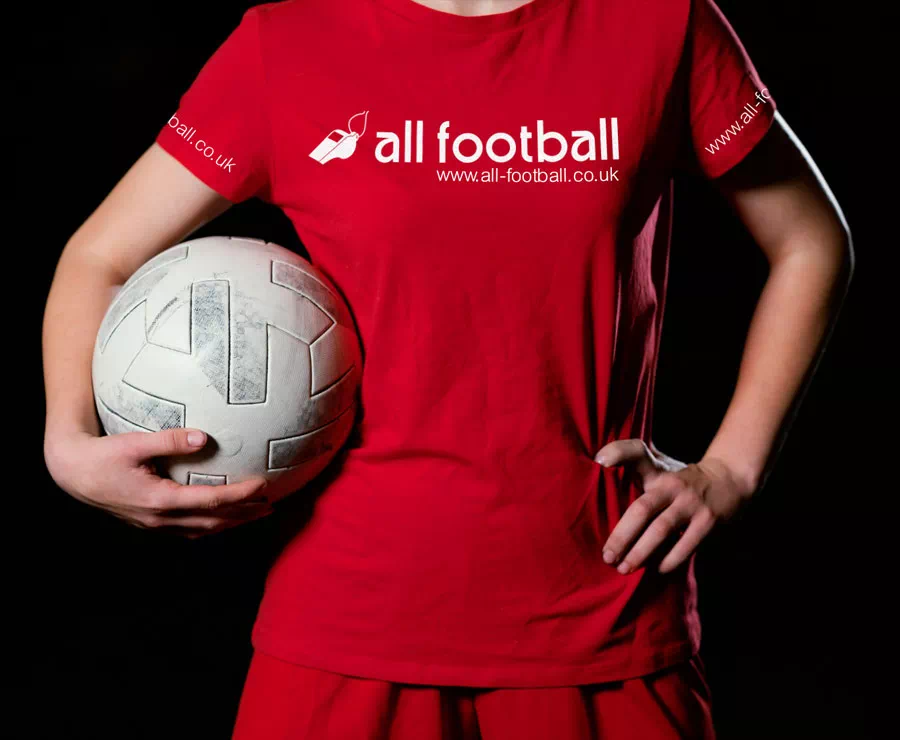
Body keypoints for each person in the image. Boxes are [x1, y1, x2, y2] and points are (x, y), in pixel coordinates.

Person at [42, 0, 852, 737]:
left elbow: (811, 242)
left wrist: (732, 470)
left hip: (602, 615)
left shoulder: (660, 25)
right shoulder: (285, 44)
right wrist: (67, 442)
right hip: (348, 629)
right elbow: (99, 257)